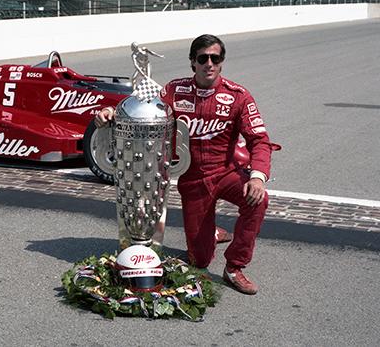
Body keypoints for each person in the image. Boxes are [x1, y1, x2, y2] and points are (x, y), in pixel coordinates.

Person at [96, 34, 272, 295]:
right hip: (193, 181)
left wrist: (258, 176)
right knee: (199, 260)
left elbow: (260, 139)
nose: (209, 63)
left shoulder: (238, 96)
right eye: (203, 58)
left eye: (215, 58)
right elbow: (146, 109)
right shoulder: (174, 91)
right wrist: (110, 113)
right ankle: (209, 233)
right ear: (193, 62)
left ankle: (235, 266)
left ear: (222, 62)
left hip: (226, 172)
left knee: (259, 199)